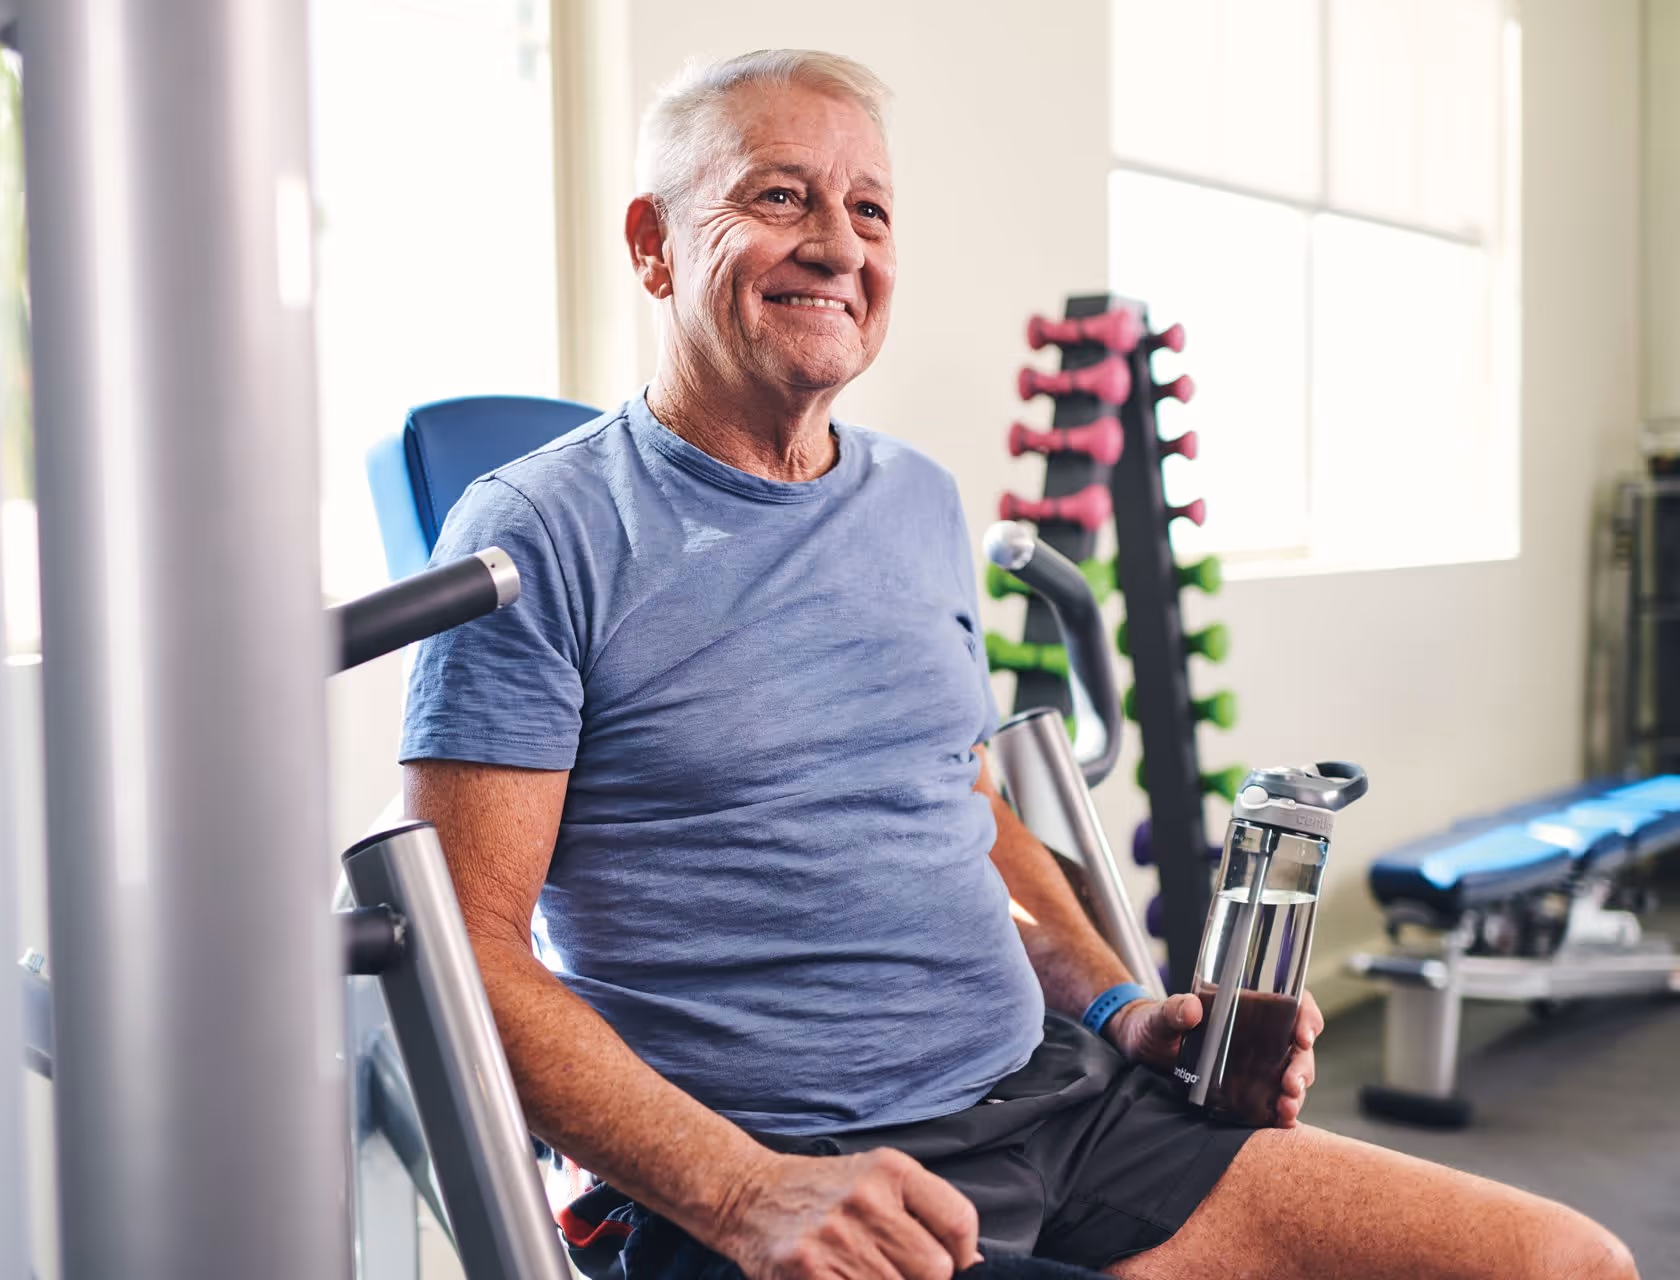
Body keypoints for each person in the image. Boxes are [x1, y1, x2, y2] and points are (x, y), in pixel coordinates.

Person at [399, 48, 1639, 1280]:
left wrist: (1119, 1007)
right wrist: (742, 1191)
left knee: (1563, 1260)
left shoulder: (918, 500)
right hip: (792, 1170)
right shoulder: (536, 534)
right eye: (780, 196)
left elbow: (969, 804)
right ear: (654, 242)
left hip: (1066, 1107)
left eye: (870, 209)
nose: (839, 243)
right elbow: (465, 949)